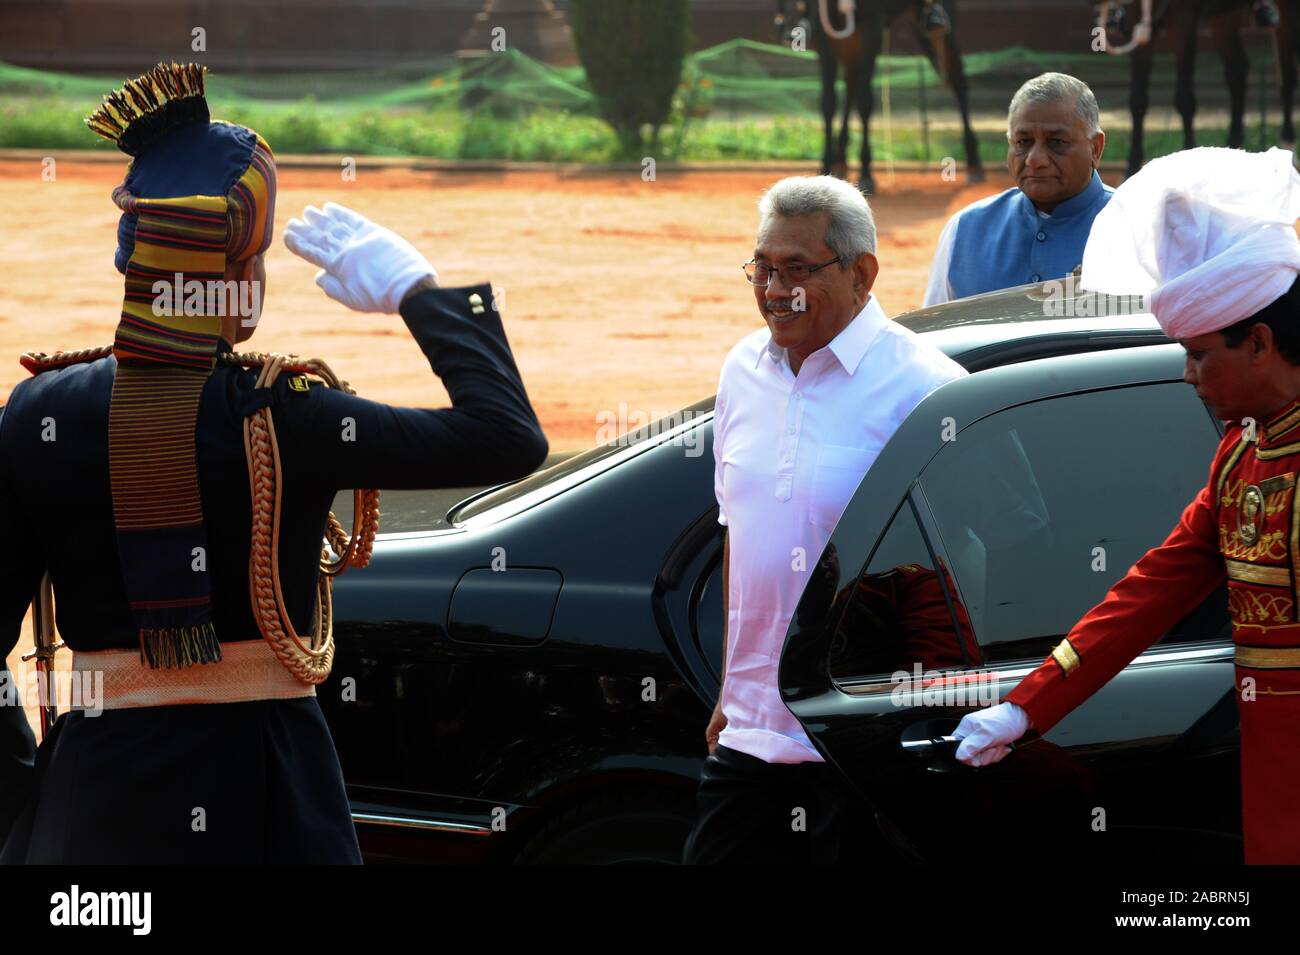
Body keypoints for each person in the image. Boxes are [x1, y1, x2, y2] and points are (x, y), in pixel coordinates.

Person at [0, 62, 547, 863]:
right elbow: (505, 435)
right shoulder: (287, 414)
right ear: (238, 282)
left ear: (136, 266)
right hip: (271, 806)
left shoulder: (38, 412)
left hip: (92, 811)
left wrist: (28, 807)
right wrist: (420, 291)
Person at [953, 145, 1300, 865]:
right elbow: (1152, 588)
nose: (1188, 375)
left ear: (1261, 342)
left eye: (1202, 355)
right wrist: (1027, 703)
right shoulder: (1241, 453)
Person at [682, 175, 967, 864]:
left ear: (862, 273)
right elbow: (740, 540)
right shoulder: (741, 370)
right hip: (750, 736)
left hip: (863, 744)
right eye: (763, 268)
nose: (775, 289)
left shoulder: (927, 389)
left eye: (798, 269)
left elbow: (972, 563)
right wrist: (731, 686)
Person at [922, 72, 1111, 306]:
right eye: (1023, 142)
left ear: (1095, 148)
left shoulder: (1139, 227)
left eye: (1056, 142)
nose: (1036, 159)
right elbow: (937, 336)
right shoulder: (965, 230)